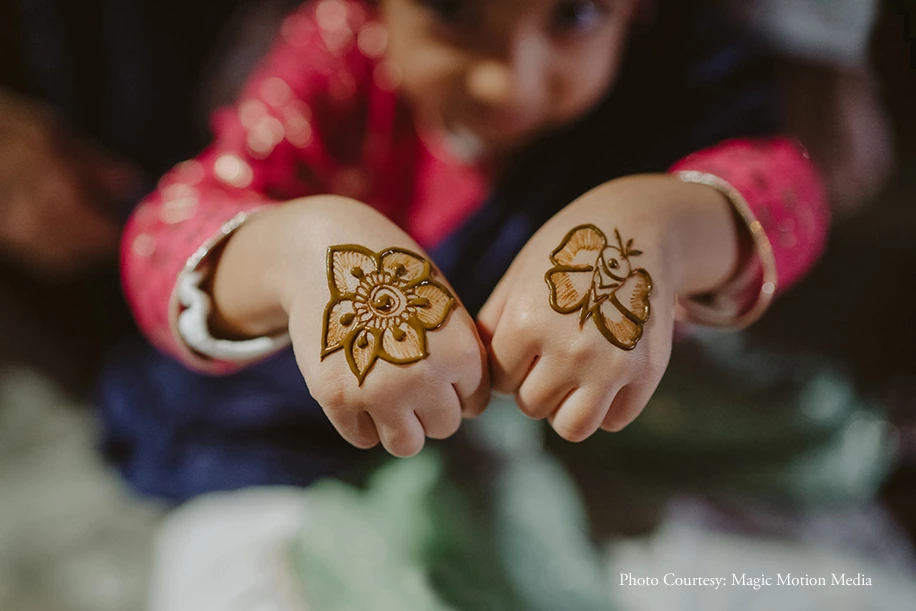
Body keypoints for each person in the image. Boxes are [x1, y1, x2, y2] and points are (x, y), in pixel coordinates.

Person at [104, 0, 827, 498]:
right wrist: (298, 250)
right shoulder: (337, 53)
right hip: (293, 425)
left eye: (574, 15)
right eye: (453, 11)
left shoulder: (682, 78)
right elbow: (167, 232)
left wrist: (664, 227)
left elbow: (790, 193)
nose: (507, 79)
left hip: (562, 427)